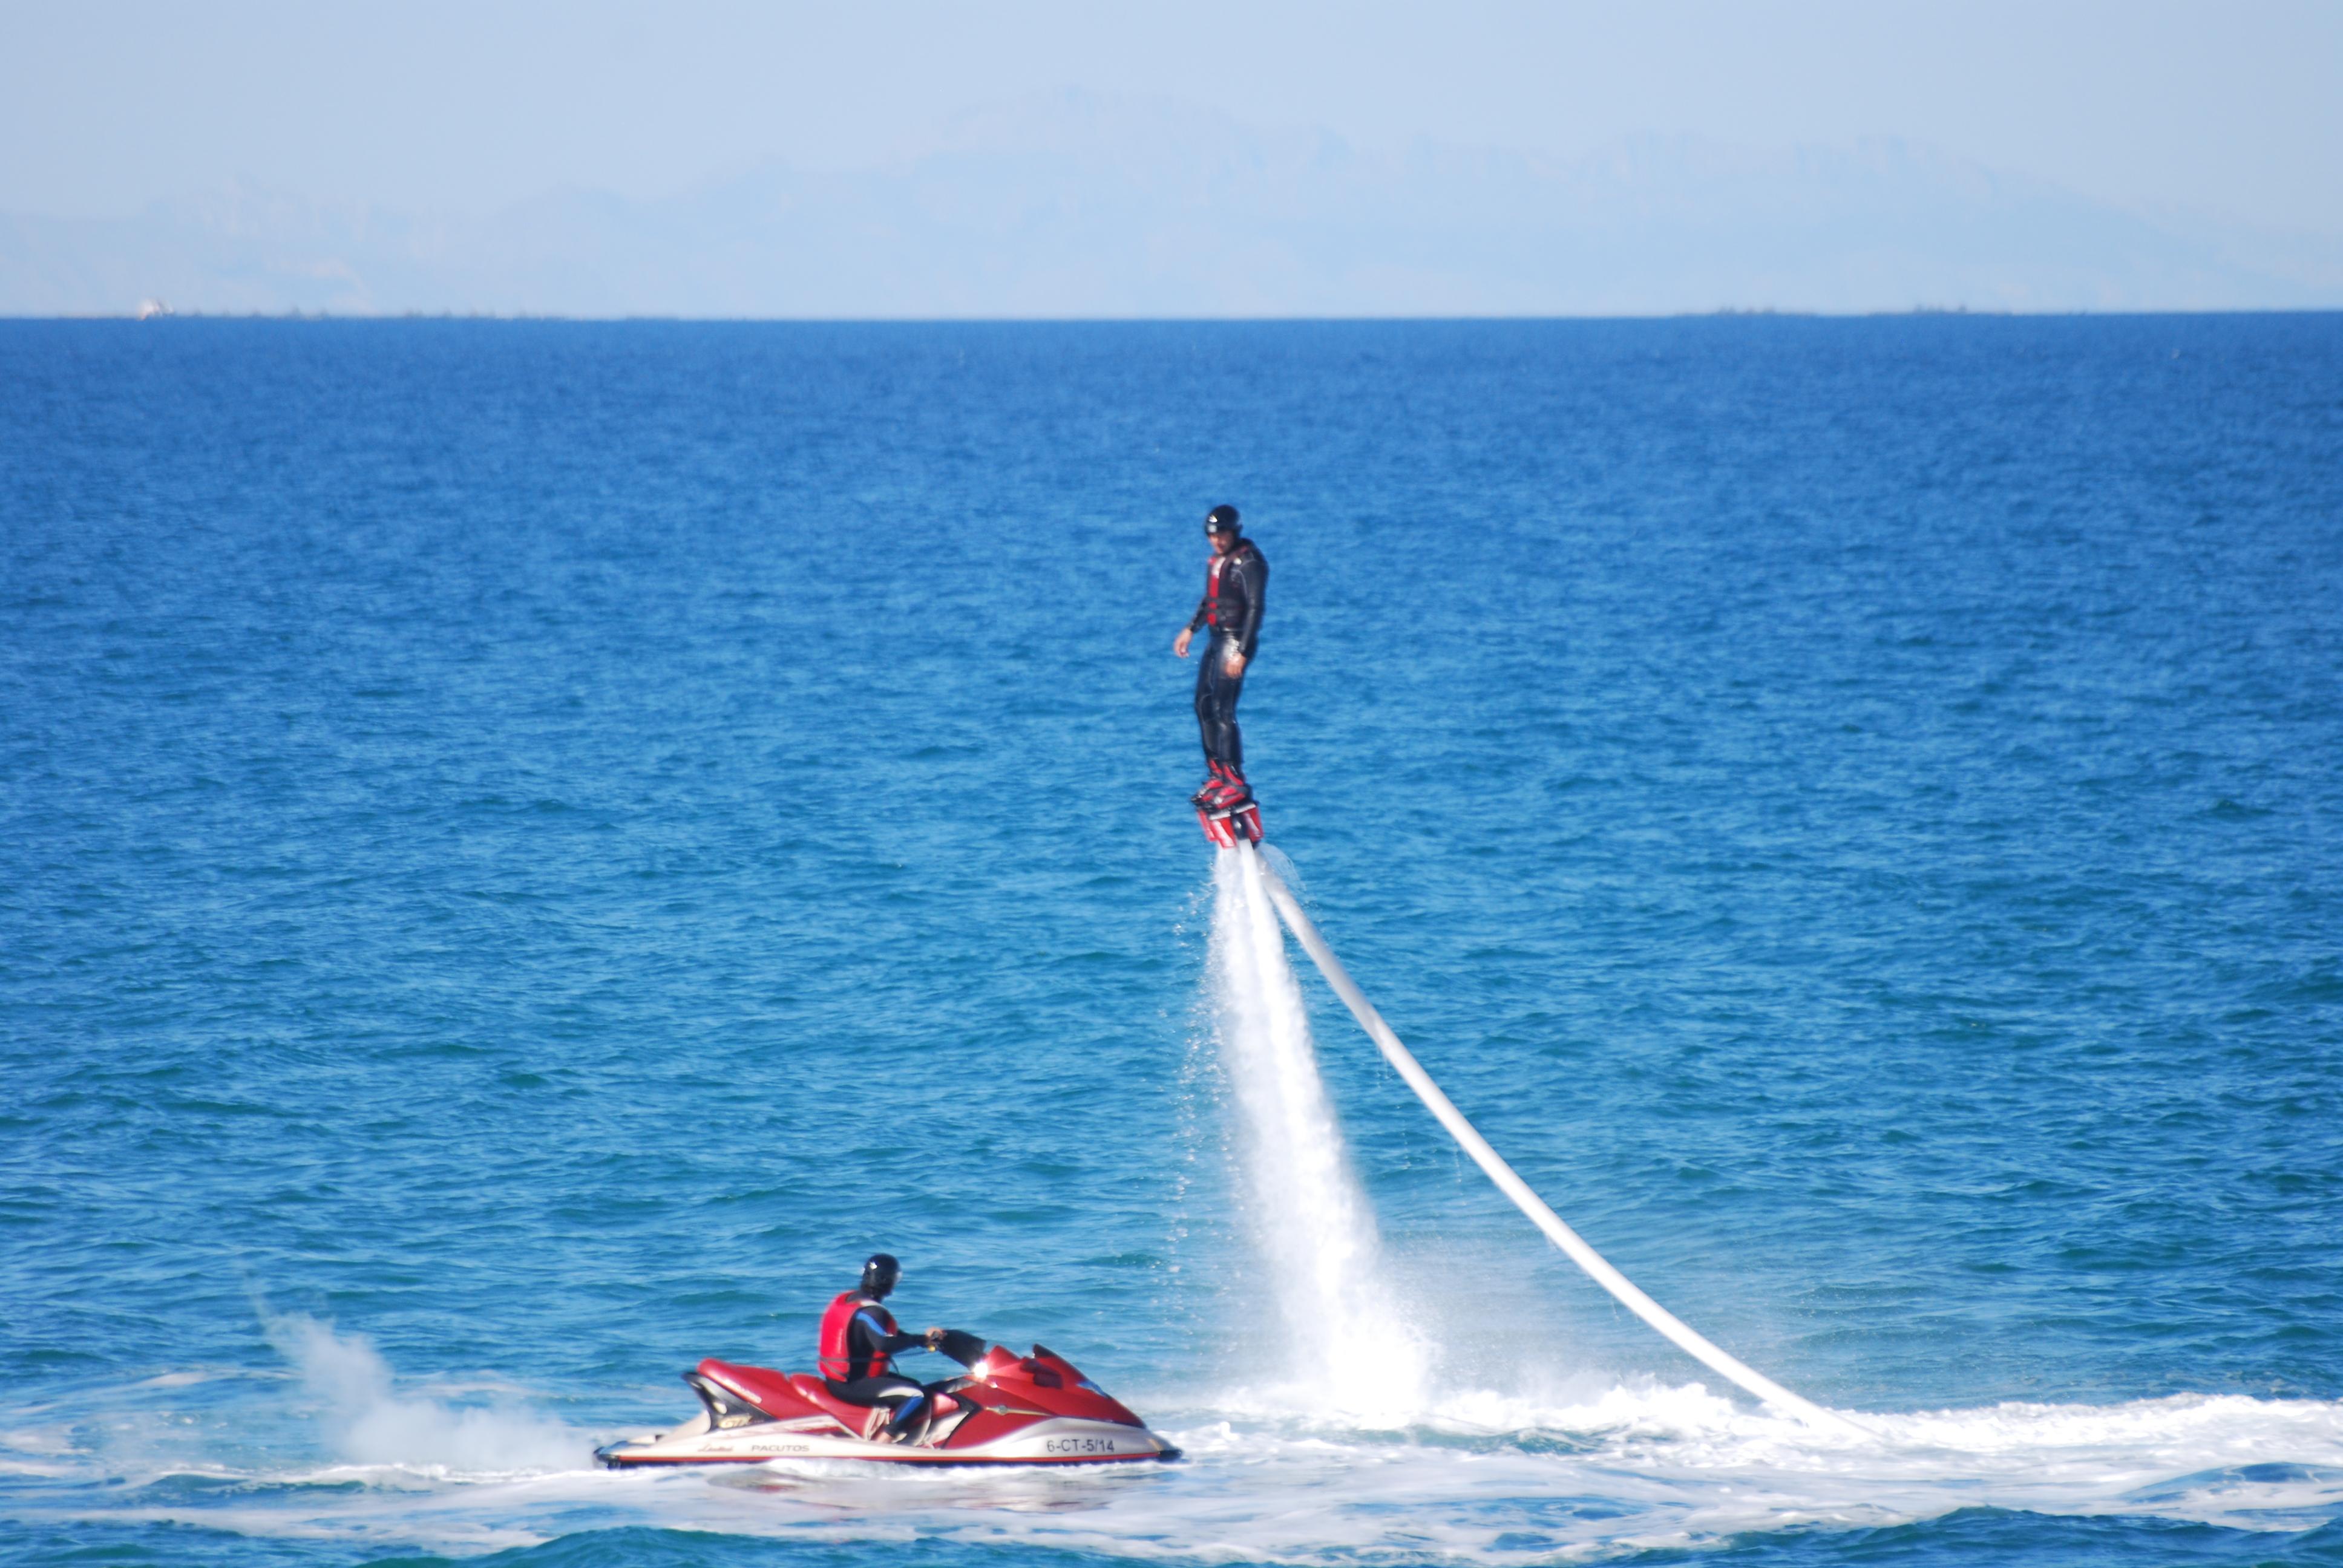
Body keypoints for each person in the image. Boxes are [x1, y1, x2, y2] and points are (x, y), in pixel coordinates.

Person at [1173, 504, 1267, 809]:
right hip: (1215, 640)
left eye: (1222, 535)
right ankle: (1218, 772)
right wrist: (1191, 629)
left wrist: (1242, 652)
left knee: (1223, 710)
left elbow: (1255, 610)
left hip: (1234, 641)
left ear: (1234, 532)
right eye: (1212, 536)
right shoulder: (1218, 561)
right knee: (1203, 704)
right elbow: (1211, 600)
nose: (1216, 541)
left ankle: (1236, 780)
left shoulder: (1250, 563)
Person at [817, 1253, 945, 1443]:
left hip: (838, 1380)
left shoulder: (849, 1300)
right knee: (917, 1396)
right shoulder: (872, 1312)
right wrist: (919, 1340)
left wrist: (925, 1340)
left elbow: (887, 1335)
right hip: (852, 1385)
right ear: (887, 1282)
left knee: (915, 1386)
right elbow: (884, 1343)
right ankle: (882, 1444)